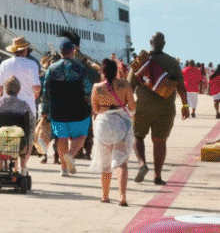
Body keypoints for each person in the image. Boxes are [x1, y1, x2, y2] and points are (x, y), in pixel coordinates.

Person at [129, 32, 189, 185]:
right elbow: (181, 86)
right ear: (164, 43)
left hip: (143, 107)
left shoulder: (141, 61)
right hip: (166, 109)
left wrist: (127, 106)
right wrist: (185, 105)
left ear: (151, 42)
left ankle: (142, 164)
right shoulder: (172, 62)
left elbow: (130, 86)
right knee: (160, 141)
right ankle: (157, 176)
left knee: (137, 136)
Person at [41, 39, 92, 176]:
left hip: (58, 108)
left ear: (60, 52)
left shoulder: (51, 68)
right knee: (82, 134)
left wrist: (44, 110)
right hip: (77, 107)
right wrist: (89, 104)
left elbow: (46, 91)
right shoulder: (80, 68)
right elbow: (87, 88)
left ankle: (63, 168)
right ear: (73, 52)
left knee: (61, 137)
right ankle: (70, 154)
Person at [90, 59, 135, 206]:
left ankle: (105, 196)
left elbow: (95, 109)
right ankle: (122, 197)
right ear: (117, 70)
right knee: (121, 161)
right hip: (121, 124)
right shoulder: (125, 84)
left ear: (102, 71)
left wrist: (105, 108)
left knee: (105, 163)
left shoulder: (97, 87)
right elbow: (132, 107)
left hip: (103, 126)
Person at [0, 36, 41, 173]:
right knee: (27, 138)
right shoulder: (32, 64)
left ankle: (0, 166)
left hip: (6, 107)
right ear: (25, 50)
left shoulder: (4, 64)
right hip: (28, 108)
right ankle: (23, 167)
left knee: (6, 136)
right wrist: (35, 94)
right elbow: (37, 87)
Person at [0, 76, 36, 171]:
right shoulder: (23, 105)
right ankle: (23, 166)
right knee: (30, 135)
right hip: (18, 141)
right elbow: (32, 123)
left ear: (4, 89)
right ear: (19, 90)